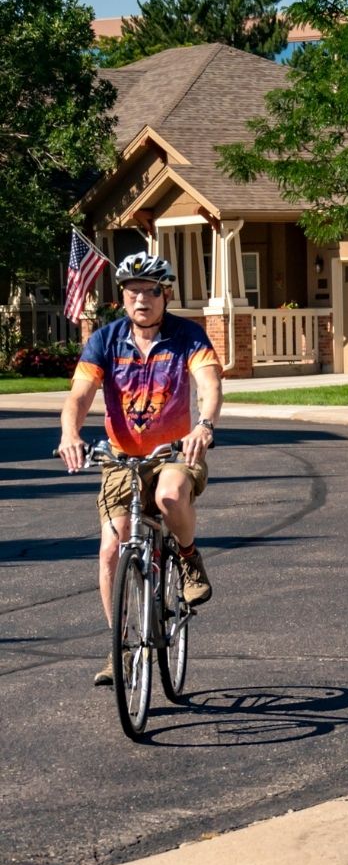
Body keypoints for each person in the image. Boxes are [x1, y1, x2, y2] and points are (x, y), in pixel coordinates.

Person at [58, 251, 223, 686]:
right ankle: (122, 647)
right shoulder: (106, 341)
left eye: (149, 291)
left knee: (169, 495)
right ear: (123, 298)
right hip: (121, 458)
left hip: (175, 453)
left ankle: (187, 557)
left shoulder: (187, 336)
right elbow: (79, 394)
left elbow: (209, 383)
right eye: (131, 292)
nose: (140, 300)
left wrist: (204, 425)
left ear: (165, 294)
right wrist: (70, 434)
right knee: (112, 551)